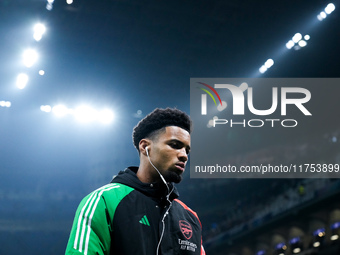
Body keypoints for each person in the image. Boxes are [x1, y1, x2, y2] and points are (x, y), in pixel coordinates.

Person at [65, 108, 205, 255]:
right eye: (175, 145)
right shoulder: (104, 201)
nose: (184, 155)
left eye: (187, 150)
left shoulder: (190, 217)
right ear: (145, 147)